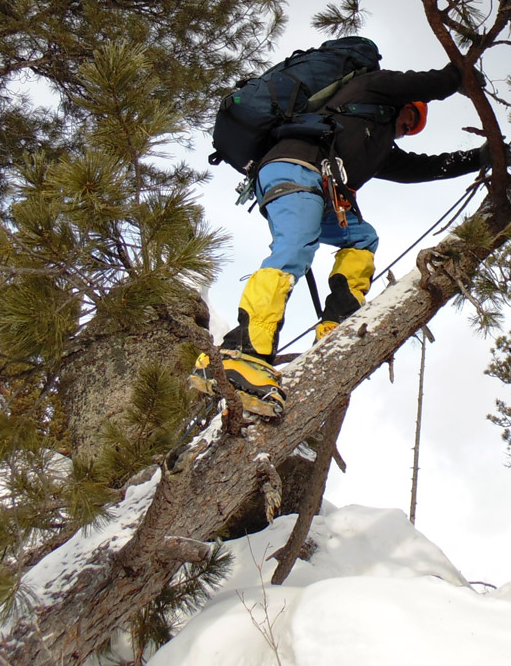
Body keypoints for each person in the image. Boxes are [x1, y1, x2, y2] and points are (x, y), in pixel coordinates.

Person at [194, 61, 488, 415]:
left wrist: (481, 157)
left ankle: (335, 323)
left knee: (362, 238)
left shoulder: (375, 144)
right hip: (294, 168)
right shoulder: (369, 89)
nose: (408, 127)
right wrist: (460, 77)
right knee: (294, 250)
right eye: (410, 116)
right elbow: (422, 82)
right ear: (401, 103)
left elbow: (420, 169)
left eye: (412, 129)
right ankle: (239, 354)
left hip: (318, 187)